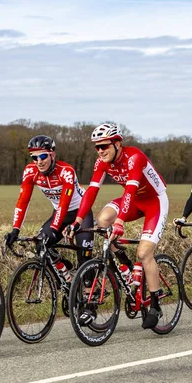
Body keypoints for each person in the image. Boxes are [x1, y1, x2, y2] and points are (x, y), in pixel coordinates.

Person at [67, 123, 168, 329]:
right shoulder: (102, 162)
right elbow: (91, 192)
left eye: (104, 146)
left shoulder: (134, 157)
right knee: (103, 220)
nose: (101, 151)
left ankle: (156, 304)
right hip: (133, 201)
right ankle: (125, 266)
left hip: (154, 202)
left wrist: (120, 222)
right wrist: (77, 221)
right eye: (97, 147)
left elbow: (130, 190)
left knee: (144, 253)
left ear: (117, 143)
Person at [5, 135, 94, 271]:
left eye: (43, 157)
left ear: (52, 154)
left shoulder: (66, 171)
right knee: (41, 245)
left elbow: (64, 203)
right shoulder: (30, 171)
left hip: (81, 213)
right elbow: (23, 201)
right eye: (34, 157)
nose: (39, 162)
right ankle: (65, 274)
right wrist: (15, 230)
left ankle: (90, 290)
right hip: (59, 213)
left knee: (84, 257)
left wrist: (53, 229)